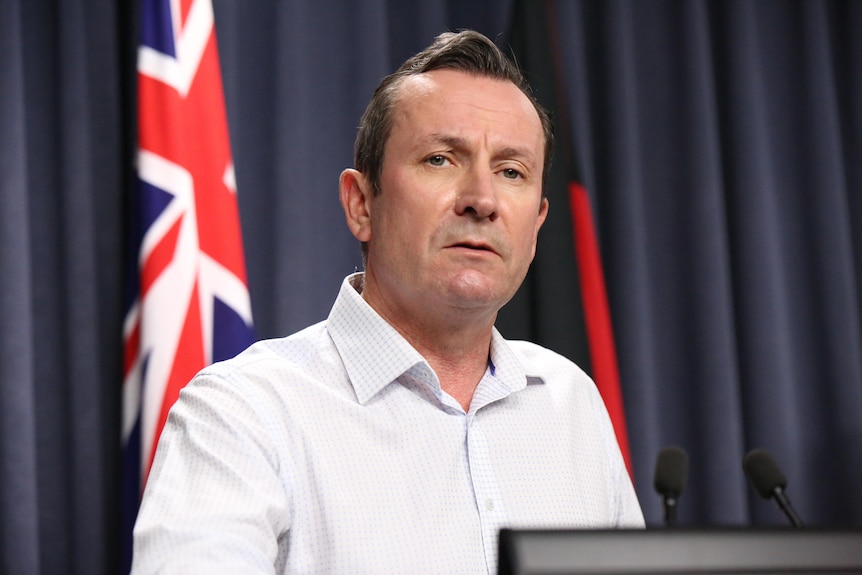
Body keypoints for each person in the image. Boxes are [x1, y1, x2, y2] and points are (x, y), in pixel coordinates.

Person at [131, 30, 644, 575]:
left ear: (537, 225)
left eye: (511, 171)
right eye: (441, 159)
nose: (483, 200)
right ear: (361, 204)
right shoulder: (242, 414)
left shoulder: (571, 403)